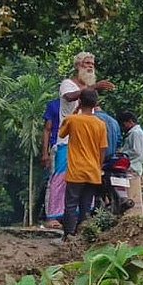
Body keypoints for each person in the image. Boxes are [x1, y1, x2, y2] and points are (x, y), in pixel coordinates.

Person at [59, 89, 107, 237]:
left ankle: (69, 235)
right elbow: (103, 148)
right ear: (96, 103)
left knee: (71, 205)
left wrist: (76, 110)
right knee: (86, 206)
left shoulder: (73, 120)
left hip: (76, 171)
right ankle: (83, 236)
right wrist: (99, 167)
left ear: (80, 101)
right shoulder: (100, 124)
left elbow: (61, 133)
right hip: (93, 171)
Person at [117, 111, 143, 218]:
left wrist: (122, 154)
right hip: (133, 167)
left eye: (124, 124)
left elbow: (136, 151)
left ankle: (134, 217)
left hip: (133, 167)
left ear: (130, 122)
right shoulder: (134, 133)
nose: (123, 127)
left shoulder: (136, 133)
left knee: (132, 196)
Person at [41, 96, 65, 228]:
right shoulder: (54, 106)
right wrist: (45, 153)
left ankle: (64, 214)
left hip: (72, 147)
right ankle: (52, 215)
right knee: (55, 181)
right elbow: (47, 129)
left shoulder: (78, 104)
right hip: (57, 146)